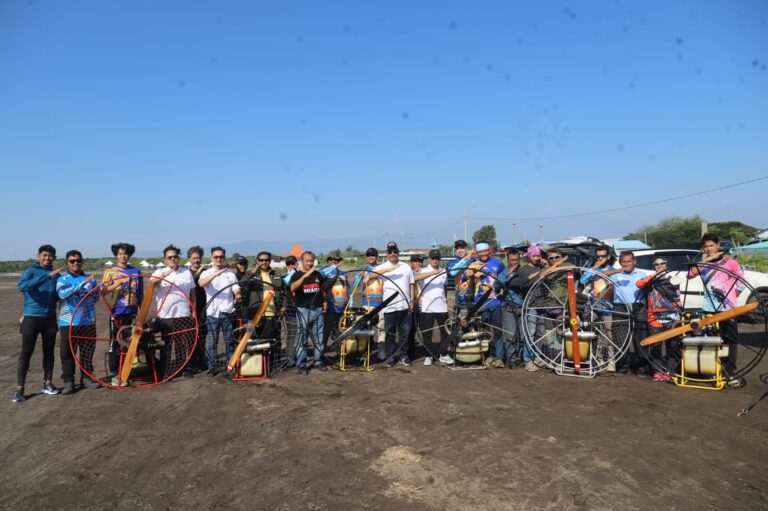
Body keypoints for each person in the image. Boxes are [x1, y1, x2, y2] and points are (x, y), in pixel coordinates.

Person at [688, 233, 746, 387]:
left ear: (718, 245)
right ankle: (712, 370)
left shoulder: (730, 262)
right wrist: (704, 261)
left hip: (727, 308)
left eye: (711, 245)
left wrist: (732, 296)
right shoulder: (703, 264)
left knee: (730, 341)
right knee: (711, 340)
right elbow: (690, 275)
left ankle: (729, 373)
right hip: (709, 309)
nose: (709, 249)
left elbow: (742, 281)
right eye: (706, 246)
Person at [14, 244, 63, 402]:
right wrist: (46, 276)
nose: (47, 258)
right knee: (26, 354)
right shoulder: (30, 271)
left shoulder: (56, 275)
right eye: (44, 255)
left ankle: (47, 383)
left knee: (49, 353)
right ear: (38, 256)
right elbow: (22, 286)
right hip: (31, 317)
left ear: (54, 258)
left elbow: (57, 295)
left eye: (50, 256)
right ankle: (19, 390)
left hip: (49, 318)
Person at [57, 250, 101, 394]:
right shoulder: (62, 280)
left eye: (78, 260)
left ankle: (87, 378)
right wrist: (82, 284)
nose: (76, 263)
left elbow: (95, 297)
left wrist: (88, 287)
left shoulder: (91, 279)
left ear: (82, 262)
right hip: (68, 323)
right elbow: (62, 294)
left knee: (87, 351)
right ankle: (69, 382)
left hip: (87, 321)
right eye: (72, 261)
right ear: (67, 263)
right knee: (67, 353)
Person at [151, 245, 197, 380]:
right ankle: (164, 371)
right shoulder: (159, 272)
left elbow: (193, 292)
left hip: (183, 314)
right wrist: (165, 274)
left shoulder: (186, 272)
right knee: (165, 344)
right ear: (165, 260)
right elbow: (151, 284)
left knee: (181, 344)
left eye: (175, 257)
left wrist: (193, 309)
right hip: (166, 315)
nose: (173, 259)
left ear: (178, 258)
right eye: (169, 257)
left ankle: (182, 368)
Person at [369, 242, 415, 367]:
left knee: (404, 333)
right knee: (390, 333)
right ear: (387, 254)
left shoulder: (406, 267)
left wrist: (411, 300)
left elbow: (412, 284)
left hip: (404, 306)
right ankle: (390, 357)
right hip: (389, 307)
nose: (393, 254)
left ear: (398, 253)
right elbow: (369, 277)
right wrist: (385, 270)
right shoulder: (382, 267)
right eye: (390, 252)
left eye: (395, 252)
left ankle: (404, 356)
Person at [101, 242, 143, 377]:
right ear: (116, 256)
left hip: (132, 312)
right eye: (120, 254)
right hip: (117, 312)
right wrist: (118, 283)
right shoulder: (110, 272)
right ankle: (114, 370)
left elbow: (140, 293)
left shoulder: (136, 271)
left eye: (125, 253)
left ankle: (127, 368)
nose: (123, 256)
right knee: (115, 341)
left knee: (131, 341)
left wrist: (142, 311)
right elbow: (103, 291)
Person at [636, 257, 681, 382]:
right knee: (655, 345)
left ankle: (670, 371)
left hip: (673, 317)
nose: (659, 265)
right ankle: (657, 370)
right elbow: (639, 284)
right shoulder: (650, 279)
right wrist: (655, 274)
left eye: (662, 263)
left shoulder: (673, 278)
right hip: (654, 317)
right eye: (656, 264)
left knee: (672, 346)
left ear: (667, 265)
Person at [494, 248, 538, 371]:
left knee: (523, 335)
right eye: (511, 260)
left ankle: (519, 357)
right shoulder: (504, 272)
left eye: (516, 260)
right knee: (510, 335)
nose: (514, 262)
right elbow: (496, 285)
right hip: (509, 308)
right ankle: (511, 358)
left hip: (523, 307)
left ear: (520, 259)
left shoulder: (524, 271)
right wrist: (508, 273)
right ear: (507, 260)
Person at [200, 247, 242, 375]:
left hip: (227, 311)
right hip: (212, 313)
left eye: (221, 257)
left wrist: (238, 295)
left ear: (224, 257)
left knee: (229, 341)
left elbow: (236, 288)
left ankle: (230, 366)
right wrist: (216, 273)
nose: (219, 259)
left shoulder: (230, 274)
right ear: (212, 258)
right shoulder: (206, 273)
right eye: (216, 257)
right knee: (212, 342)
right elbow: (201, 283)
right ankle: (212, 367)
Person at [605, 251, 647, 376]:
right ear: (620, 262)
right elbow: (602, 275)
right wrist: (618, 271)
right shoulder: (615, 274)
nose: (627, 264)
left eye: (629, 261)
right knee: (620, 338)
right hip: (620, 307)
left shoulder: (642, 274)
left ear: (634, 261)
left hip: (638, 306)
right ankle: (623, 367)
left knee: (640, 338)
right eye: (623, 262)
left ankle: (641, 369)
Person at [465, 242, 506, 367]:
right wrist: (472, 275)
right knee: (484, 332)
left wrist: (502, 290)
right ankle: (488, 355)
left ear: (489, 251)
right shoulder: (473, 264)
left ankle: (499, 357)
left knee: (498, 331)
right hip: (480, 303)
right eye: (480, 252)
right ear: (477, 253)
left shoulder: (497, 263)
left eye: (485, 251)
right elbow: (465, 280)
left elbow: (504, 277)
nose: (483, 254)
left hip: (496, 302)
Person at [290, 251, 328, 374]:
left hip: (317, 310)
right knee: (302, 339)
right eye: (307, 261)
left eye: (311, 260)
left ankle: (318, 361)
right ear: (302, 261)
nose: (309, 263)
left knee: (319, 338)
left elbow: (322, 290)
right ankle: (301, 364)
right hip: (303, 310)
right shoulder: (296, 275)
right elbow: (293, 288)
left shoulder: (318, 275)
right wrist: (305, 276)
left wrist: (325, 302)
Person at [579, 245, 616, 371]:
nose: (600, 259)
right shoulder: (593, 270)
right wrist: (593, 268)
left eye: (603, 256)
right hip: (593, 306)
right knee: (593, 333)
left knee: (607, 333)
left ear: (608, 257)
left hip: (608, 306)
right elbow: (583, 281)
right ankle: (596, 358)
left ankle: (610, 360)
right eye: (598, 256)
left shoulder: (613, 270)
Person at [415, 249, 451, 365]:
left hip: (442, 307)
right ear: (429, 259)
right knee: (427, 333)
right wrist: (433, 273)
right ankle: (428, 356)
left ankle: (444, 354)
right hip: (427, 308)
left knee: (444, 332)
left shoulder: (444, 271)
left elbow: (444, 288)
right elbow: (416, 278)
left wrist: (444, 301)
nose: (435, 260)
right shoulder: (423, 270)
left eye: (437, 258)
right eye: (433, 258)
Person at [352, 247, 386, 360]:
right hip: (366, 303)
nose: (370, 257)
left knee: (382, 328)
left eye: (373, 255)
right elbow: (356, 284)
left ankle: (381, 352)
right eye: (368, 255)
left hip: (381, 304)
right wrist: (360, 275)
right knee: (365, 328)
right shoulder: (363, 268)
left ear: (377, 256)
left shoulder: (383, 268)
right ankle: (365, 353)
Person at [243, 251, 284, 339]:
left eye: (266, 260)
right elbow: (242, 284)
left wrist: (283, 306)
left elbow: (284, 291)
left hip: (271, 313)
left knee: (271, 340)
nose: (264, 262)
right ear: (257, 261)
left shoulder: (276, 274)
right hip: (255, 313)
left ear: (270, 261)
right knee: (253, 341)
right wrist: (253, 272)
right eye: (261, 260)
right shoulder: (251, 274)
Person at [185, 245, 208, 374]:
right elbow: (189, 286)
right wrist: (198, 273)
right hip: (191, 308)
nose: (196, 260)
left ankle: (202, 360)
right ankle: (192, 362)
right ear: (189, 259)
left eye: (198, 258)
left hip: (204, 307)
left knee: (203, 336)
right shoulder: (186, 273)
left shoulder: (206, 272)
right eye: (194, 258)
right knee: (192, 336)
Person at [323, 255, 349, 349]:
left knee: (340, 329)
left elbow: (347, 288)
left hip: (342, 306)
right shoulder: (325, 273)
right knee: (326, 329)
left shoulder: (343, 273)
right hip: (330, 306)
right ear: (328, 261)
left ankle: (339, 348)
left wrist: (350, 301)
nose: (335, 262)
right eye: (332, 260)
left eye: (337, 260)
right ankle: (323, 348)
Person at [280, 255, 299, 366]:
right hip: (289, 308)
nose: (293, 266)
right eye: (291, 264)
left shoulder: (299, 275)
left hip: (300, 306)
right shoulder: (284, 278)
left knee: (300, 332)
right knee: (292, 332)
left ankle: (298, 355)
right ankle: (290, 357)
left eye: (294, 263)